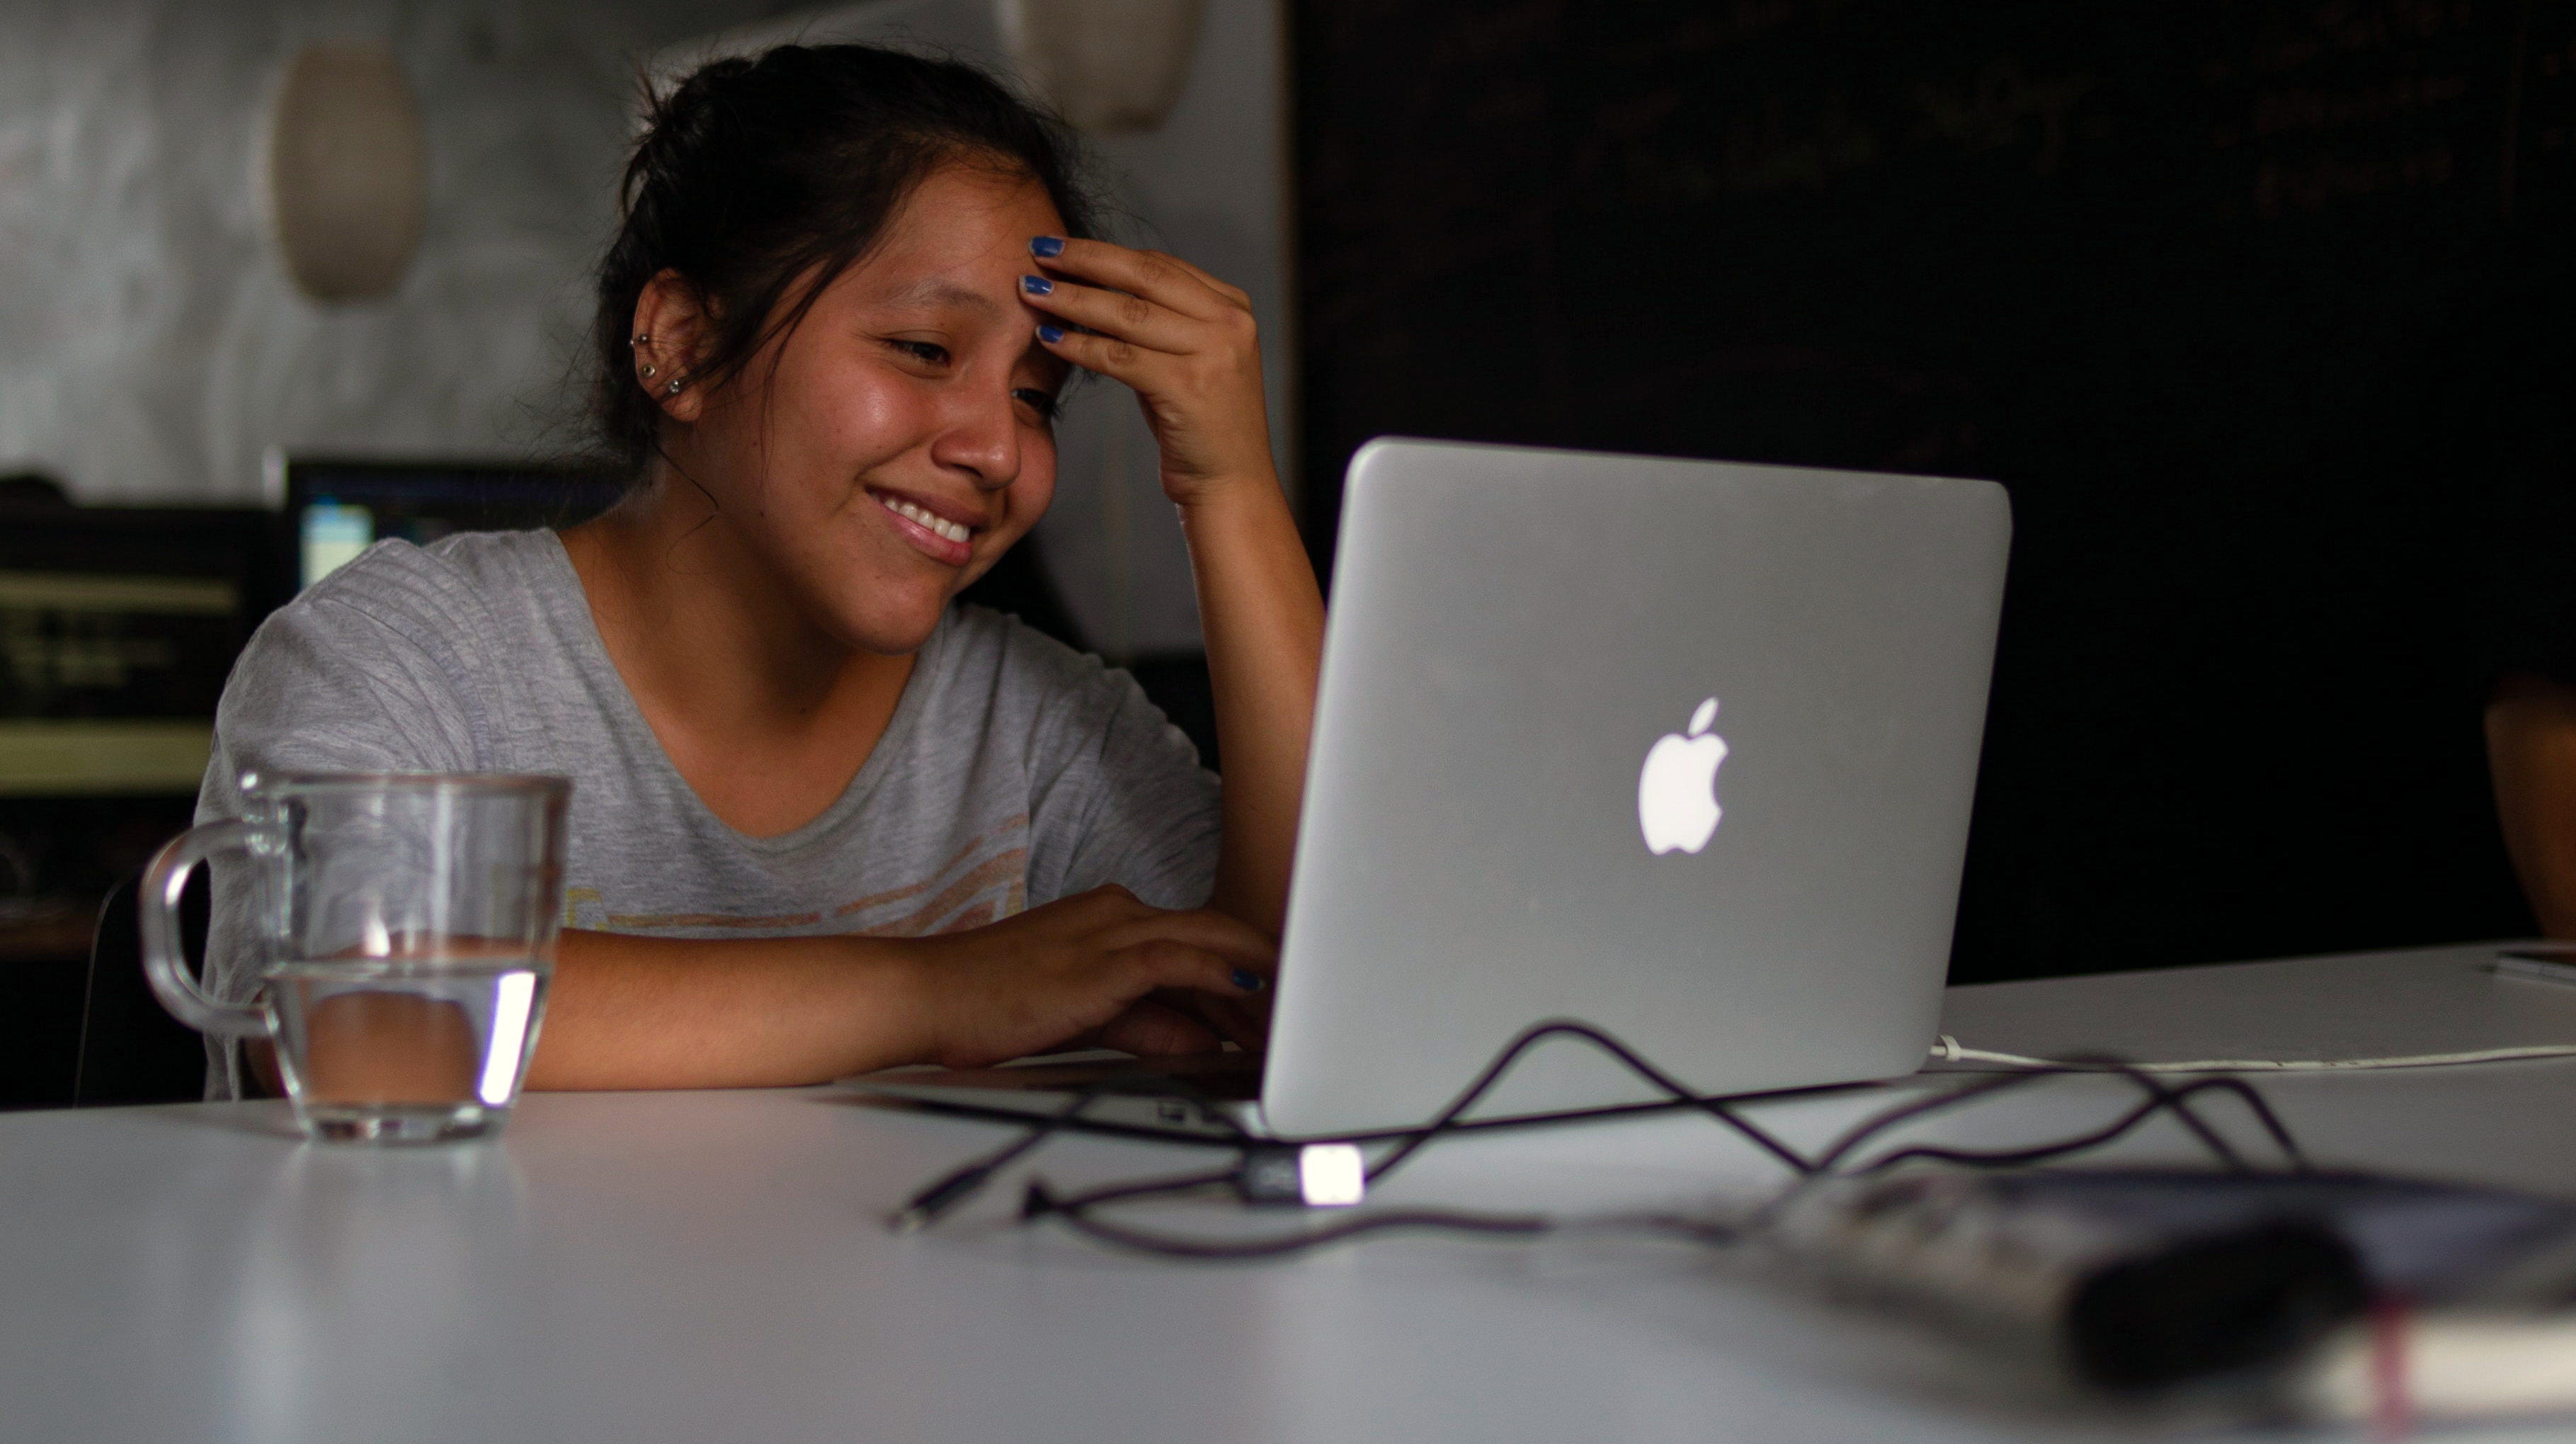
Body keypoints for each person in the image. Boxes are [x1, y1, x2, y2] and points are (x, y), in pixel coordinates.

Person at [196, 44, 1323, 1096]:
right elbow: (347, 1023)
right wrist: (945, 987)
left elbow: (1302, 998)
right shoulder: (403, 659)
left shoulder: (1036, 730)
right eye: (925, 350)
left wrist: (1229, 489)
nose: (998, 450)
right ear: (681, 345)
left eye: (1035, 398)